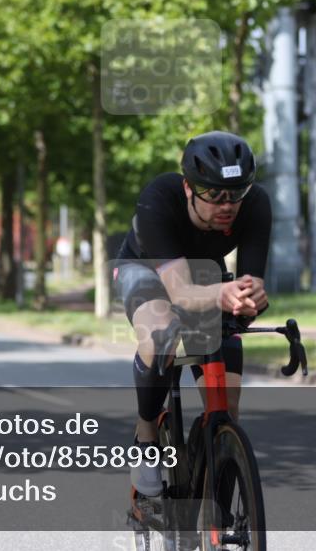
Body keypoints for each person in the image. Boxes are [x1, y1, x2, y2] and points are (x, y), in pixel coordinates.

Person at [113, 131, 271, 498]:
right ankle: (146, 432)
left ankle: (218, 503)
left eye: (235, 194)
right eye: (214, 194)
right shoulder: (158, 199)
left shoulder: (256, 203)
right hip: (146, 269)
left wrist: (251, 298)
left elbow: (251, 282)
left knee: (228, 408)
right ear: (189, 188)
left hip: (204, 273)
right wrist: (222, 294)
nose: (227, 205)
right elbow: (180, 292)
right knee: (161, 329)